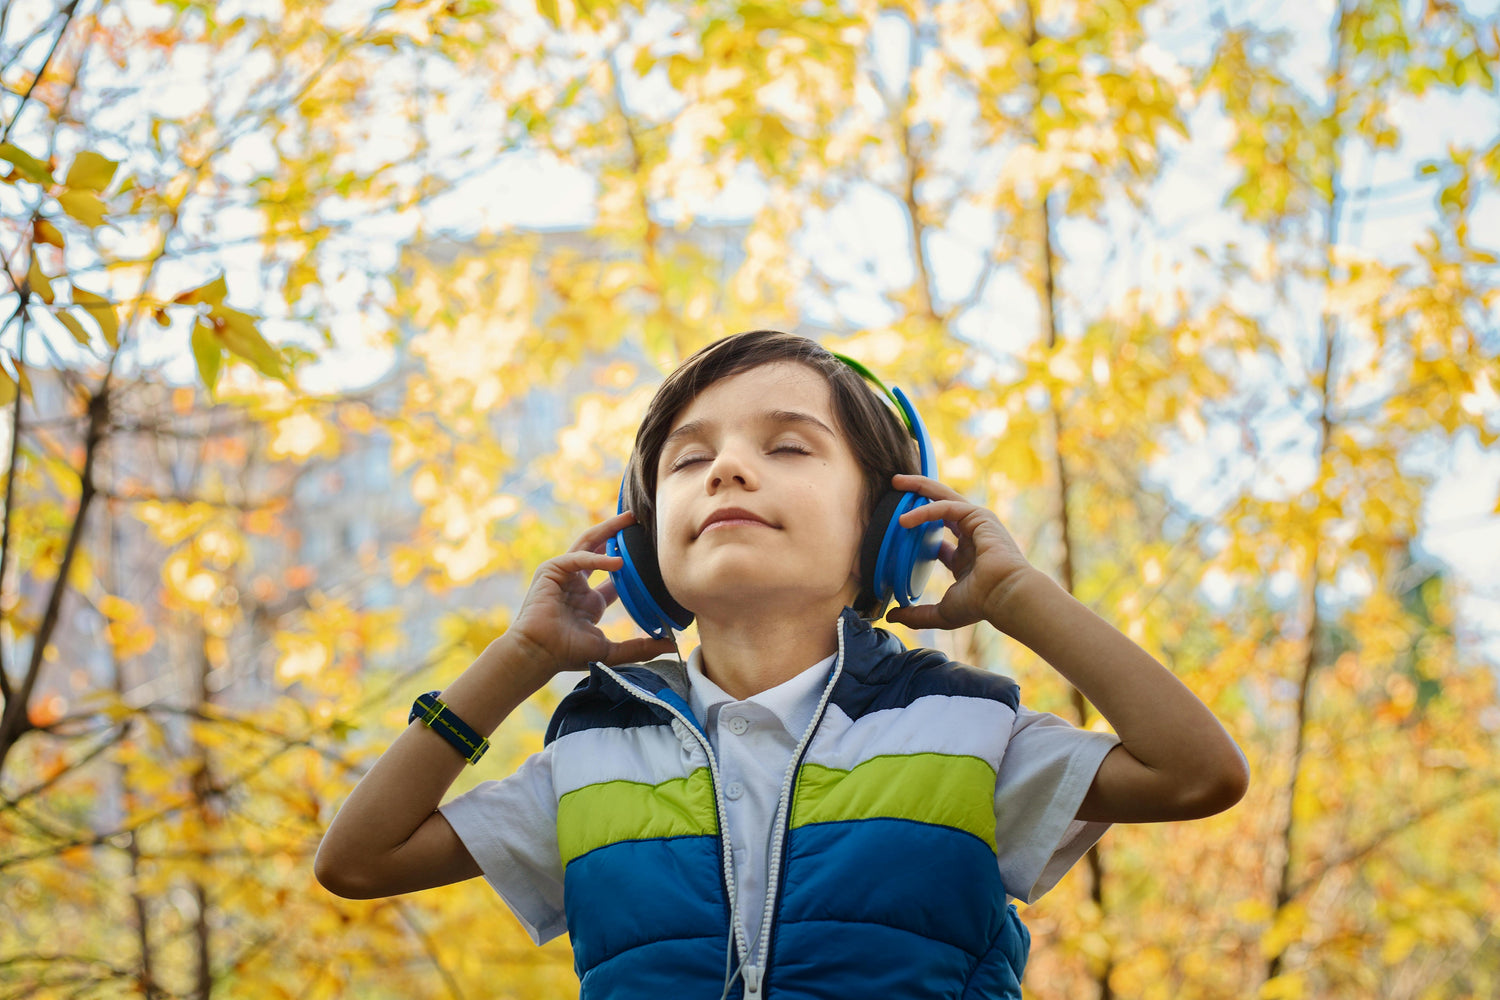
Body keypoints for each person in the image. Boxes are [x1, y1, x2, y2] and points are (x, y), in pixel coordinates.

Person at [315, 330, 1249, 999]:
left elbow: (1197, 771)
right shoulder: (592, 759)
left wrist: (1016, 595)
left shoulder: (962, 734)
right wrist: (519, 661)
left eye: (787, 445)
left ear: (887, 528)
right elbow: (358, 859)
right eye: (689, 461)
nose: (725, 470)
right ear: (643, 554)